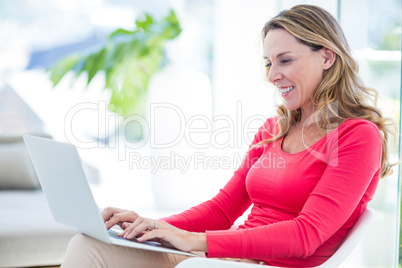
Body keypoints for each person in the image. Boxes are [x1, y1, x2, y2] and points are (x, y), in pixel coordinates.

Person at [62, 4, 396, 268]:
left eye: (285, 60)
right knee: (89, 245)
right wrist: (151, 226)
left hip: (265, 264)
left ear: (326, 56)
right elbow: (223, 210)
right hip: (229, 257)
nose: (273, 75)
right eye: (268, 63)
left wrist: (197, 241)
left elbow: (306, 235)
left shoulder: (358, 136)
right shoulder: (274, 129)